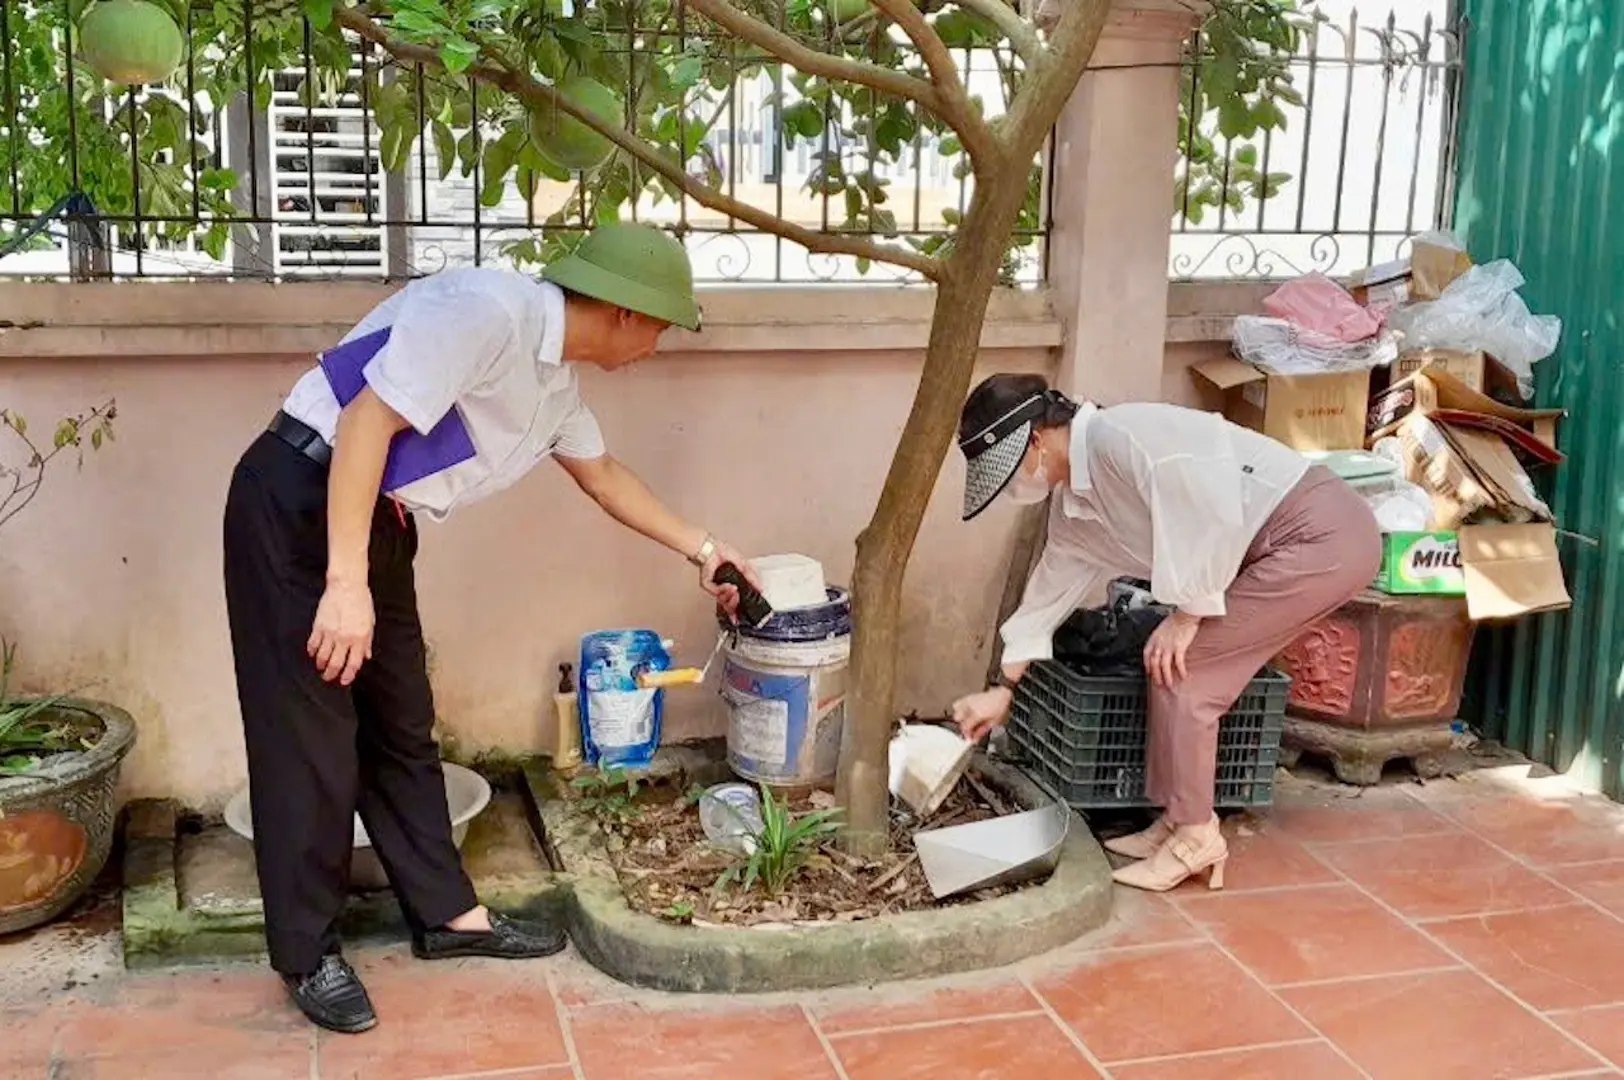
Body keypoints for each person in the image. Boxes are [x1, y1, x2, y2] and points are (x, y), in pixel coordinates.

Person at [222, 223, 758, 1034]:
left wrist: (708, 550)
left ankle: (446, 915)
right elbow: (366, 424)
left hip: (374, 516)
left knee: (401, 718)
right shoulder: (488, 312)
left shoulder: (555, 387)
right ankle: (308, 951)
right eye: (660, 324)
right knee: (312, 736)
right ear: (621, 312)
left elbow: (604, 477)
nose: (660, 343)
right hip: (299, 498)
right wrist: (344, 584)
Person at [950, 374, 1379, 893]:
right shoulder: (1078, 505)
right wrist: (1004, 686)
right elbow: (1050, 588)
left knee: (1188, 668)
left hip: (1319, 535)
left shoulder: (1123, 439)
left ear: (1037, 440)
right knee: (1167, 663)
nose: (1015, 485)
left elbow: (1210, 512)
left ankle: (1198, 836)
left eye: (1011, 468)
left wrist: (1188, 615)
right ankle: (1176, 821)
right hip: (1267, 548)